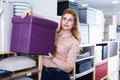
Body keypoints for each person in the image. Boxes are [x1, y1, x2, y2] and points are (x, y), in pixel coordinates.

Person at [21, 8, 81, 80]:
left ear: (74, 24)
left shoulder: (74, 42)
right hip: (45, 73)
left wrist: (53, 58)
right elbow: (41, 26)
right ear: (61, 20)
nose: (66, 22)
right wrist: (31, 14)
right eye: (64, 18)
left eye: (70, 20)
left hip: (60, 75)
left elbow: (69, 68)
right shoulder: (53, 32)